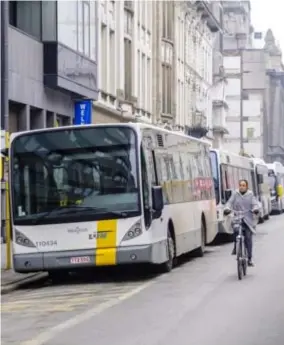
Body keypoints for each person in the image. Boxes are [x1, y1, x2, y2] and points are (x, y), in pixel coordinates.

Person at [224, 179, 259, 266]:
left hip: (247, 219)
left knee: (248, 237)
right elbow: (229, 203)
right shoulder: (235, 194)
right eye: (240, 185)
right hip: (237, 218)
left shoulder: (250, 195)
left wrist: (255, 209)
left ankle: (250, 258)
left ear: (246, 186)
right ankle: (237, 246)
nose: (242, 187)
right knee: (236, 231)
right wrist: (227, 209)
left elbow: (255, 204)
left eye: (243, 185)